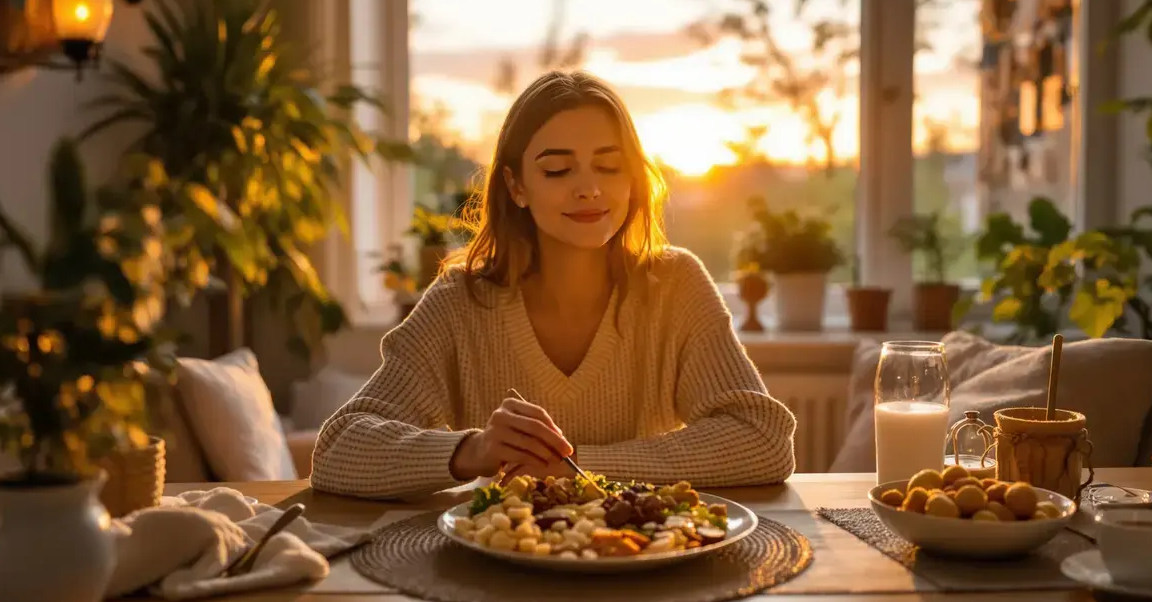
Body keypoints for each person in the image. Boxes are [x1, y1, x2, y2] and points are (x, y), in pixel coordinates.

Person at [310, 70, 796, 500]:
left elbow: (764, 441)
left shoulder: (676, 284)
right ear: (516, 186)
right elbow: (337, 449)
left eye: (609, 166)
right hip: (502, 557)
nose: (589, 188)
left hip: (645, 552)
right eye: (557, 169)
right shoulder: (460, 301)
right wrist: (473, 450)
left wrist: (575, 465)